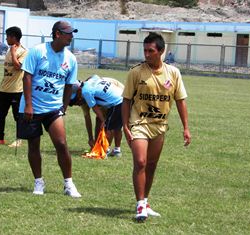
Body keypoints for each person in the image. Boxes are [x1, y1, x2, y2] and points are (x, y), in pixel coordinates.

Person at [122, 32, 191, 222]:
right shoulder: (136, 72)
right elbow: (126, 100)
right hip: (139, 124)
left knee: (151, 166)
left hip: (160, 126)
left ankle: (145, 201)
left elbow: (180, 101)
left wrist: (186, 128)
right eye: (145, 50)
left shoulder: (173, 73)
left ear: (161, 51)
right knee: (141, 162)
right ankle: (140, 205)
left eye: (150, 51)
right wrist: (125, 126)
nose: (146, 54)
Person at [17, 20, 81, 197]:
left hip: (53, 108)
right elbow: (27, 77)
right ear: (57, 34)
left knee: (61, 144)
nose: (71, 36)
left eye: (72, 33)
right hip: (31, 107)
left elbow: (69, 85)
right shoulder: (38, 51)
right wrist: (28, 105)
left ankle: (68, 184)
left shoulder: (71, 58)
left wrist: (64, 107)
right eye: (68, 33)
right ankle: (39, 182)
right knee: (34, 145)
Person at [71, 75, 124, 157]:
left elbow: (95, 107)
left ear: (79, 90)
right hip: (122, 98)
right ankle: (117, 151)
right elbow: (94, 76)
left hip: (116, 102)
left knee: (108, 128)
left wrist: (103, 120)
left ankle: (104, 151)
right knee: (117, 128)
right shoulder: (91, 81)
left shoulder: (85, 92)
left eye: (76, 96)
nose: (79, 98)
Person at [0, 26, 27, 147]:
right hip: (4, 88)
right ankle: (0, 138)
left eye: (7, 36)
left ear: (13, 37)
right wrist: (11, 51)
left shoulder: (23, 51)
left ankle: (19, 139)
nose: (6, 38)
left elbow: (18, 67)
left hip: (16, 90)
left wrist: (13, 53)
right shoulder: (9, 49)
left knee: (17, 116)